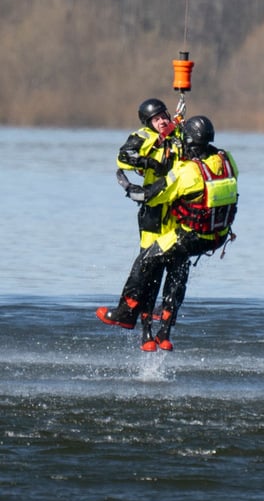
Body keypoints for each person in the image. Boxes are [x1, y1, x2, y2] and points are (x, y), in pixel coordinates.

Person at [98, 115, 238, 351]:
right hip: (217, 236)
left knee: (147, 259)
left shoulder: (188, 173)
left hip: (190, 237)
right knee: (178, 266)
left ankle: (125, 310)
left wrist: (127, 186)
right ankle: (164, 333)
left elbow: (150, 196)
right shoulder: (227, 160)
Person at [96, 98, 182, 332]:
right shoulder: (144, 137)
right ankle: (137, 316)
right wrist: (149, 163)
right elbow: (124, 157)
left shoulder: (177, 136)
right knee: (149, 263)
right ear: (148, 123)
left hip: (175, 208)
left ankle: (165, 315)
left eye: (164, 116)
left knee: (175, 262)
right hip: (153, 209)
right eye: (157, 119)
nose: (163, 121)